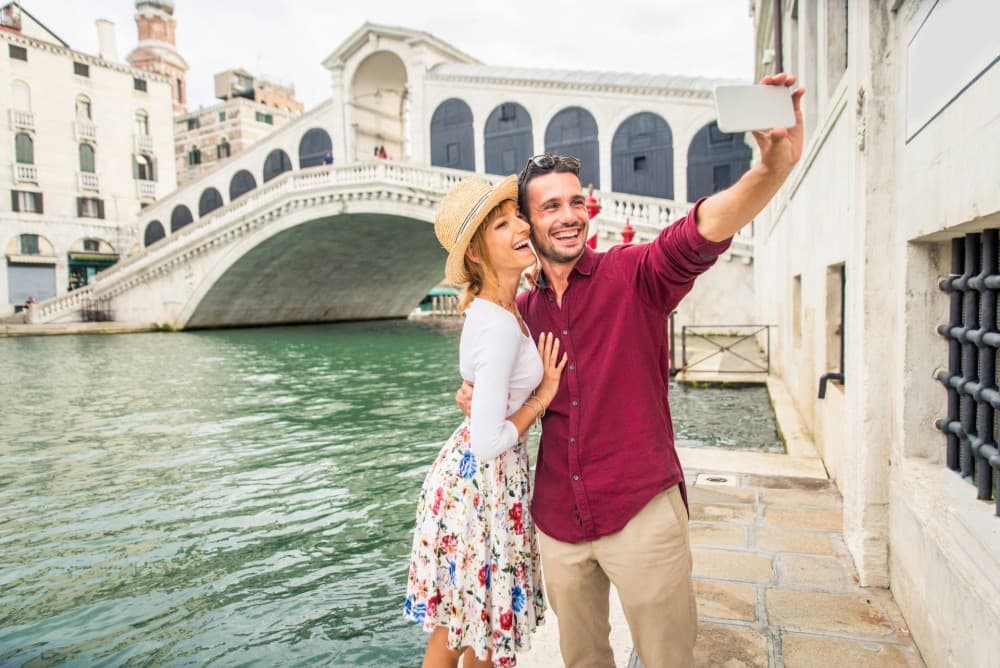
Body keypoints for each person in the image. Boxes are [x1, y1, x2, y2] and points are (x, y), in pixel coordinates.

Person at [457, 73, 805, 666]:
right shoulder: (519, 312)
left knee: (668, 658)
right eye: (550, 207)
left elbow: (700, 230)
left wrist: (769, 170)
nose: (568, 216)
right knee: (582, 660)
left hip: (641, 512)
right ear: (528, 223)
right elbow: (491, 383)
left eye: (575, 201)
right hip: (559, 522)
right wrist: (475, 395)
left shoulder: (635, 275)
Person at [405, 174, 569, 667]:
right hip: (482, 486)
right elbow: (487, 440)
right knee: (467, 630)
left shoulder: (502, 308)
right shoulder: (497, 325)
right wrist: (543, 397)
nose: (520, 225)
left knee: (471, 626)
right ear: (477, 253)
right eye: (502, 224)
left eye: (516, 215)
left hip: (481, 484)